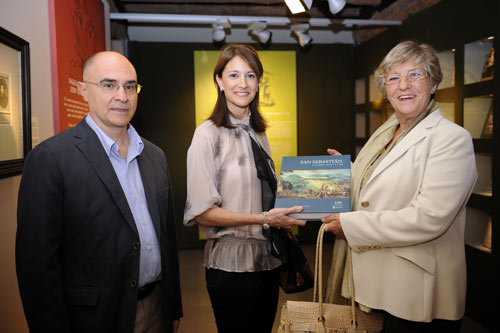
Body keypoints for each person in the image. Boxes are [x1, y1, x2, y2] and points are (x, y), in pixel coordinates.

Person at [16, 51, 183, 333]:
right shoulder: (51, 159)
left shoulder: (155, 155)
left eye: (130, 86)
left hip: (156, 308)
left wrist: (173, 306)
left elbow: (167, 239)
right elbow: (38, 268)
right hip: (94, 319)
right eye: (109, 85)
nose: (122, 96)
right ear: (83, 90)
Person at [322, 41, 477, 332]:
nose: (403, 85)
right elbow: (385, 183)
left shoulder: (451, 138)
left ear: (433, 84)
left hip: (413, 292)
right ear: (385, 89)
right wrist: (351, 173)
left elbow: (430, 217)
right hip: (373, 284)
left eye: (415, 74)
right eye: (393, 78)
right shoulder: (387, 132)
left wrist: (352, 226)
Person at [183, 44, 304, 333]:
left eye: (250, 75)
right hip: (230, 267)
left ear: (258, 82)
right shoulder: (207, 134)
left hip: (268, 261)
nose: (243, 83)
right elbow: (203, 213)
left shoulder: (258, 132)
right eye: (234, 75)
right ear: (219, 81)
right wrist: (263, 218)